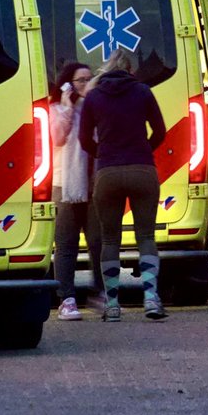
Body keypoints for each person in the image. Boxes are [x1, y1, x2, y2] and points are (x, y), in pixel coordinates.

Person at [79, 48, 168, 321]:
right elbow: (160, 131)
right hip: (142, 170)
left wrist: (103, 154)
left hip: (108, 173)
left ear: (106, 69)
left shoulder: (93, 97)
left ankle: (113, 305)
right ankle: (151, 298)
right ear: (130, 70)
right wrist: (144, 151)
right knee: (146, 237)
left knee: (109, 239)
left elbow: (84, 139)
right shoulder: (142, 91)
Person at [49, 61, 104, 320]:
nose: (86, 84)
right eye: (81, 80)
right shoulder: (57, 109)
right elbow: (57, 138)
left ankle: (101, 292)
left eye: (89, 79)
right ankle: (67, 299)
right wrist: (67, 106)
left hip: (95, 185)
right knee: (66, 245)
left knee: (99, 242)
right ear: (68, 84)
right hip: (66, 185)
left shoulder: (97, 108)